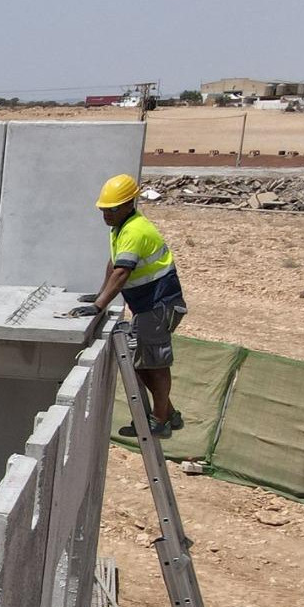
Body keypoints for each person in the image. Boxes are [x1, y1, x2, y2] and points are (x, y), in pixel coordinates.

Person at [91, 173, 187, 438]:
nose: (106, 215)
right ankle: (168, 413)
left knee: (155, 364)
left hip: (159, 305)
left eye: (112, 210)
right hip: (147, 307)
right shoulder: (120, 229)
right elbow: (113, 264)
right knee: (142, 362)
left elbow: (122, 272)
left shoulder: (134, 230)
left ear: (128, 205)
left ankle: (159, 420)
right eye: (104, 210)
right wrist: (98, 296)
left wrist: (99, 306)